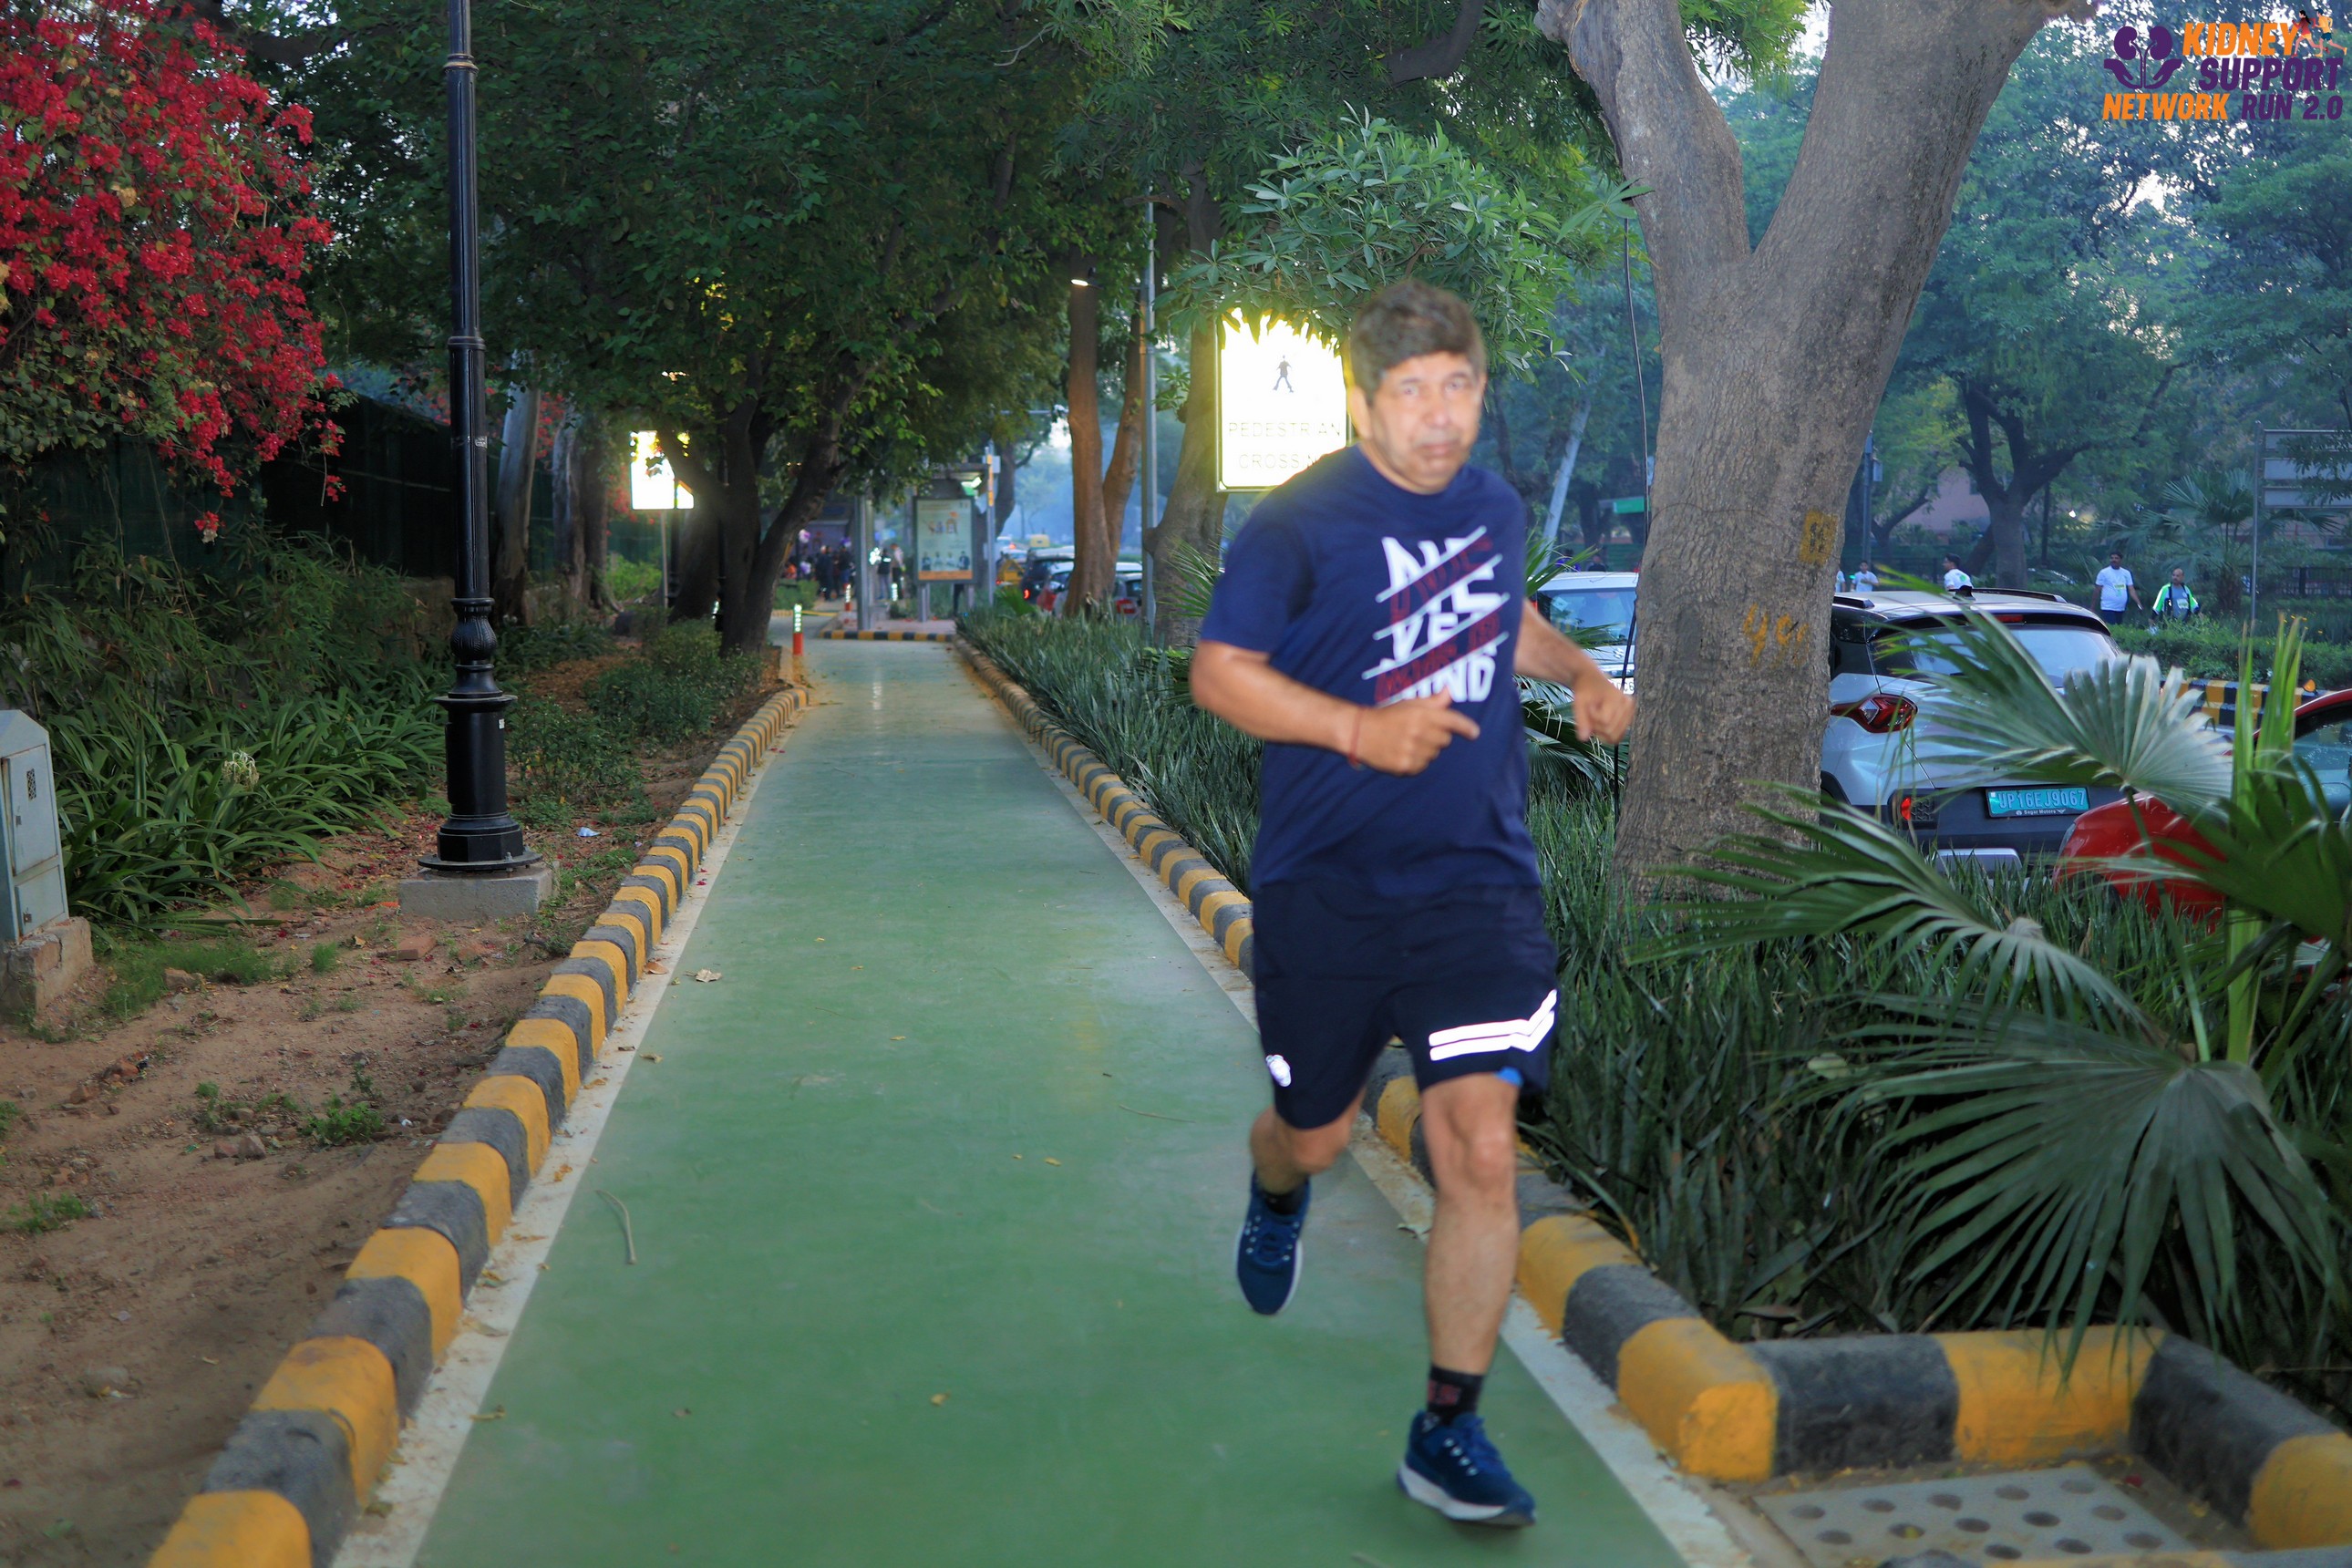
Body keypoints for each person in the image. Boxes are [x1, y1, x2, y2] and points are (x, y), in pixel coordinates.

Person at [1191, 280, 1635, 1531]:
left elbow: (1506, 616)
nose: (1440, 417)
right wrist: (1358, 731)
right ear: (1361, 402)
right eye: (1412, 392)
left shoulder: (1492, 507)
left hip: (1475, 884)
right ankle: (1278, 1187)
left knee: (1479, 1146)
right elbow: (1219, 673)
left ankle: (1448, 1428)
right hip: (1327, 887)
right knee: (1316, 1135)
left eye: (1459, 388)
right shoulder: (1300, 522)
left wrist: (1580, 671)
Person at [2095, 551, 2141, 624]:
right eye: (2112, 558)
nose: (2114, 560)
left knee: (2118, 627)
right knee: (2111, 627)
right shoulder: (2104, 572)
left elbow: (2131, 590)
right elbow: (2097, 590)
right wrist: (2093, 606)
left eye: (2116, 558)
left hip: (2121, 608)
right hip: (2108, 607)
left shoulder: (2126, 573)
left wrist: (2139, 603)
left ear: (2120, 560)